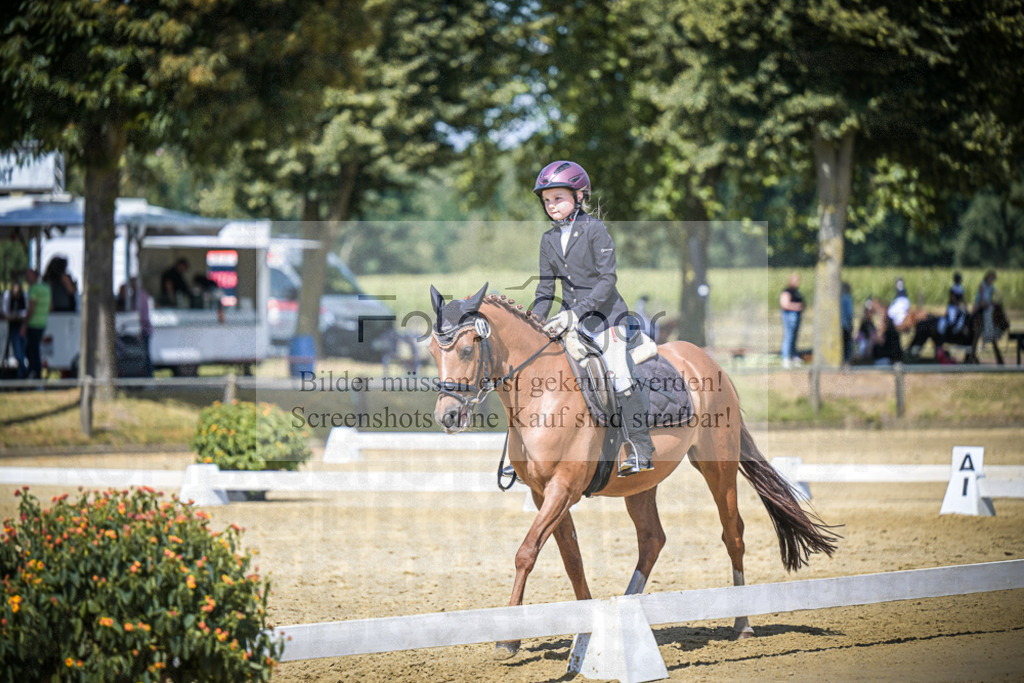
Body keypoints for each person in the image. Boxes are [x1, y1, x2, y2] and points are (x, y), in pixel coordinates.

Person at [530, 160, 654, 476]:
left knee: (619, 373)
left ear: (579, 196)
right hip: (570, 320)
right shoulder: (547, 240)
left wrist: (575, 313)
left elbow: (606, 280)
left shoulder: (595, 230)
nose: (551, 206)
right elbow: (546, 289)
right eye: (547, 201)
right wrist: (532, 324)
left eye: (558, 198)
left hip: (607, 319)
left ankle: (641, 449)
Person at [21, 268, 51, 380]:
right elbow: (51, 307)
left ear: (35, 276)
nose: (27, 278)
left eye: (29, 276)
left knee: (32, 351)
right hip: (42, 323)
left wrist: (24, 324)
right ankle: (36, 373)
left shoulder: (33, 289)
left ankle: (35, 374)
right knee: (34, 349)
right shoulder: (46, 288)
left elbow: (31, 309)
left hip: (33, 324)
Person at [2, 280, 29, 378]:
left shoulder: (24, 296)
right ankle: (24, 373)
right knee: (18, 352)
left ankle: (22, 374)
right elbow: (6, 312)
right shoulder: (8, 296)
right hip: (13, 327)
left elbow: (27, 311)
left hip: (22, 326)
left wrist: (17, 315)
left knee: (22, 351)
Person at [779, 272, 804, 369]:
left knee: (794, 337)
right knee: (788, 336)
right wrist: (796, 306)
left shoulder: (796, 291)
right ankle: (785, 358)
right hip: (790, 316)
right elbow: (784, 304)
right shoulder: (787, 291)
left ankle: (793, 356)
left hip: (796, 316)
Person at [973, 269, 999, 345]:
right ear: (987, 277)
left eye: (993, 278)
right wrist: (985, 304)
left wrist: (991, 303)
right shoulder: (982, 285)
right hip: (980, 302)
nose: (992, 279)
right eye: (991, 277)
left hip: (987, 303)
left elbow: (990, 297)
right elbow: (981, 297)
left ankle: (992, 331)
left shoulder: (992, 287)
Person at [938, 271, 967, 337]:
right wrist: (958, 305)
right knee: (952, 319)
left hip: (958, 306)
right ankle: (947, 330)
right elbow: (952, 298)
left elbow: (963, 298)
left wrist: (965, 306)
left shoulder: (960, 288)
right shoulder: (953, 288)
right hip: (952, 307)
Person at [840, 282, 854, 363]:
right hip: (846, 325)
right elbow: (849, 313)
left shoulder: (839, 298)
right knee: (847, 345)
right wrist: (851, 324)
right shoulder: (848, 298)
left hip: (839, 326)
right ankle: (846, 362)